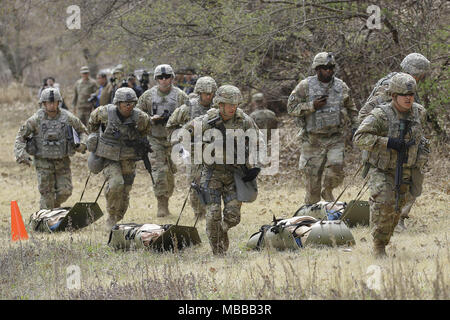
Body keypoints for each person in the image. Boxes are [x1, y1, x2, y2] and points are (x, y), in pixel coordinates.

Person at [353, 73, 430, 257]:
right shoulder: (381, 114)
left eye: (411, 95)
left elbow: (421, 137)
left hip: (407, 169)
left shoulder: (419, 113)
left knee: (397, 209)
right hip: (382, 169)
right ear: (394, 95)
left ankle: (385, 238)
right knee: (384, 204)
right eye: (404, 95)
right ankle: (379, 247)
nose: (408, 98)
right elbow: (359, 137)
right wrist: (387, 142)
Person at [183, 85, 261, 255]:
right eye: (228, 104)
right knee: (212, 215)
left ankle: (221, 230)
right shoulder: (206, 121)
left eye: (235, 104)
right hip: (212, 173)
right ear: (219, 104)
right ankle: (218, 252)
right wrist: (203, 150)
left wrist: (255, 165)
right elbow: (184, 137)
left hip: (235, 173)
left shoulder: (244, 120)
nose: (233, 107)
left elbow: (258, 141)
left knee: (233, 216)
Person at [287, 52, 359, 205]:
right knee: (312, 184)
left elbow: (351, 108)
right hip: (312, 140)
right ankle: (312, 214)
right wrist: (312, 106)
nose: (329, 71)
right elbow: (291, 107)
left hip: (335, 137)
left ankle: (327, 190)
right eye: (325, 68)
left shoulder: (341, 86)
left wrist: (356, 127)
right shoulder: (305, 86)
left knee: (336, 169)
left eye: (331, 67)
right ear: (317, 69)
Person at [87, 87, 151, 229]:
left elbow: (146, 130)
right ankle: (111, 215)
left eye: (131, 103)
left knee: (125, 190)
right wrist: (94, 137)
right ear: (117, 103)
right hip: (109, 156)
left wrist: (140, 143)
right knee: (116, 183)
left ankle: (118, 216)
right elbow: (92, 122)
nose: (129, 106)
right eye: (125, 103)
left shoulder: (140, 117)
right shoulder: (104, 112)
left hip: (128, 157)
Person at [14, 88, 88, 209]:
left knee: (66, 192)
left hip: (62, 161)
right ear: (43, 103)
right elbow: (21, 136)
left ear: (59, 102)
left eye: (55, 102)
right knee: (46, 194)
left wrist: (82, 144)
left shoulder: (68, 117)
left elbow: (83, 131)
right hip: (43, 162)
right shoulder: (36, 119)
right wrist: (21, 154)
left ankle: (53, 207)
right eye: (49, 102)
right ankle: (44, 221)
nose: (52, 105)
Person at [136, 64, 189, 217]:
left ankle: (167, 195)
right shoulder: (147, 96)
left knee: (170, 173)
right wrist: (150, 119)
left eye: (167, 77)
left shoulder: (180, 96)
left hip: (174, 140)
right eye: (160, 77)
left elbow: (189, 117)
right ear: (156, 79)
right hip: (155, 139)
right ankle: (162, 204)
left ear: (172, 78)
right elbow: (137, 115)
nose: (164, 80)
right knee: (159, 171)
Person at [166, 76, 218, 219]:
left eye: (212, 93)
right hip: (193, 152)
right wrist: (179, 146)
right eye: (206, 93)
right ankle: (199, 214)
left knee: (215, 184)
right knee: (195, 184)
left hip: (216, 151)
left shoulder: (219, 108)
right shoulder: (188, 108)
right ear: (199, 92)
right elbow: (171, 126)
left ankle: (213, 213)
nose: (209, 96)